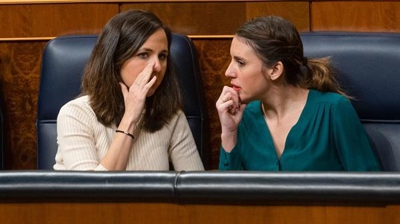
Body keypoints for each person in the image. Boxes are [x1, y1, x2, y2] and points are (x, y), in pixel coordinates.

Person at [216, 16, 381, 171]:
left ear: (274, 70)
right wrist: (229, 133)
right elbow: (228, 196)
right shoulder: (244, 116)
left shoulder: (333, 110)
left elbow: (371, 189)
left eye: (240, 62)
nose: (228, 72)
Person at [54, 10, 204, 171]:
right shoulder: (75, 114)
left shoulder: (171, 116)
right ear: (115, 60)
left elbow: (197, 191)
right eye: (144, 54)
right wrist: (130, 116)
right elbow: (93, 193)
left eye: (162, 56)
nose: (158, 67)